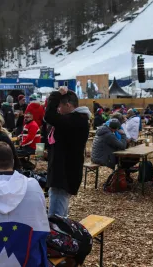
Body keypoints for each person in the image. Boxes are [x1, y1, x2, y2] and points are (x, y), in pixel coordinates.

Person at [45, 87, 90, 217]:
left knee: (56, 218)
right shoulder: (76, 119)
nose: (58, 109)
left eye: (60, 106)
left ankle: (59, 237)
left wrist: (56, 95)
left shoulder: (76, 120)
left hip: (63, 174)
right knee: (61, 212)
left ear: (68, 105)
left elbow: (49, 116)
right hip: (65, 172)